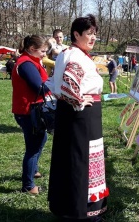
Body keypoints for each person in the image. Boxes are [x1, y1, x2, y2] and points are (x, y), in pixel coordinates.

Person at [47, 15, 108, 221]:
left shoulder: (69, 53)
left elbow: (58, 85)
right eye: (89, 33)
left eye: (94, 34)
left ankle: (68, 207)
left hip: (72, 114)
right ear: (76, 34)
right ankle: (83, 211)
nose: (93, 38)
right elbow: (68, 83)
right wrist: (79, 100)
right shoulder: (76, 56)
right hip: (81, 116)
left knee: (70, 159)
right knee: (82, 160)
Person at [11, 35, 50, 195]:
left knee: (41, 139)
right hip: (28, 111)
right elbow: (39, 87)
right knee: (33, 148)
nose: (44, 55)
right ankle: (28, 186)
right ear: (32, 49)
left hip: (30, 110)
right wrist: (57, 85)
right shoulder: (26, 64)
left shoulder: (30, 62)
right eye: (42, 51)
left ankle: (32, 170)